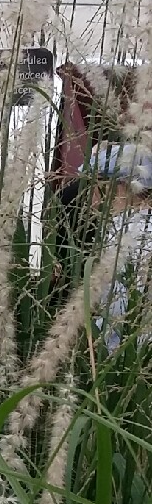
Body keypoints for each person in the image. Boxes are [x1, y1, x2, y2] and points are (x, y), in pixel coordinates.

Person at [81, 142, 152, 354]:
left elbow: (118, 312)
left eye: (94, 182)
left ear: (119, 185)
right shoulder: (126, 226)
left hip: (126, 360)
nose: (88, 193)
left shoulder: (127, 235)